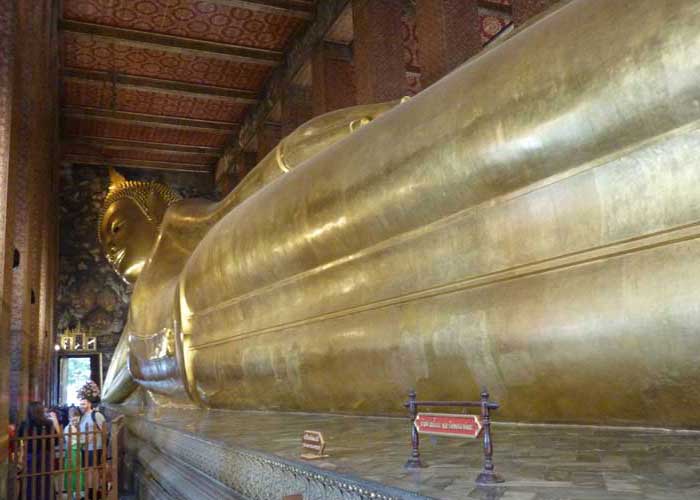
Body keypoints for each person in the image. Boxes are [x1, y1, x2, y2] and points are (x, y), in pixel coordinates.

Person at [17, 401, 61, 500]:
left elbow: (17, 439)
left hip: (31, 456)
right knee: (46, 479)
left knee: (30, 479)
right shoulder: (48, 423)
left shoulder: (25, 424)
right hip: (46, 455)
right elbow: (57, 440)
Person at [79, 396, 106, 497]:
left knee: (93, 470)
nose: (81, 406)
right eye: (81, 404)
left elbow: (104, 430)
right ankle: (89, 490)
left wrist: (94, 436)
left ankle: (95, 491)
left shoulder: (96, 415)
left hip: (95, 447)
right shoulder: (83, 416)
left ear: (89, 404)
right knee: (87, 470)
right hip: (85, 447)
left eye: (84, 403)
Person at [63, 407, 84, 498]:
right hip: (73, 451)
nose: (76, 419)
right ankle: (75, 493)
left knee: (74, 471)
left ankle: (74, 493)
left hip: (75, 450)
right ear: (69, 417)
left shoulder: (72, 427)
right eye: (73, 417)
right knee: (75, 472)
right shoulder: (70, 428)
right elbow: (79, 440)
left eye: (77, 417)